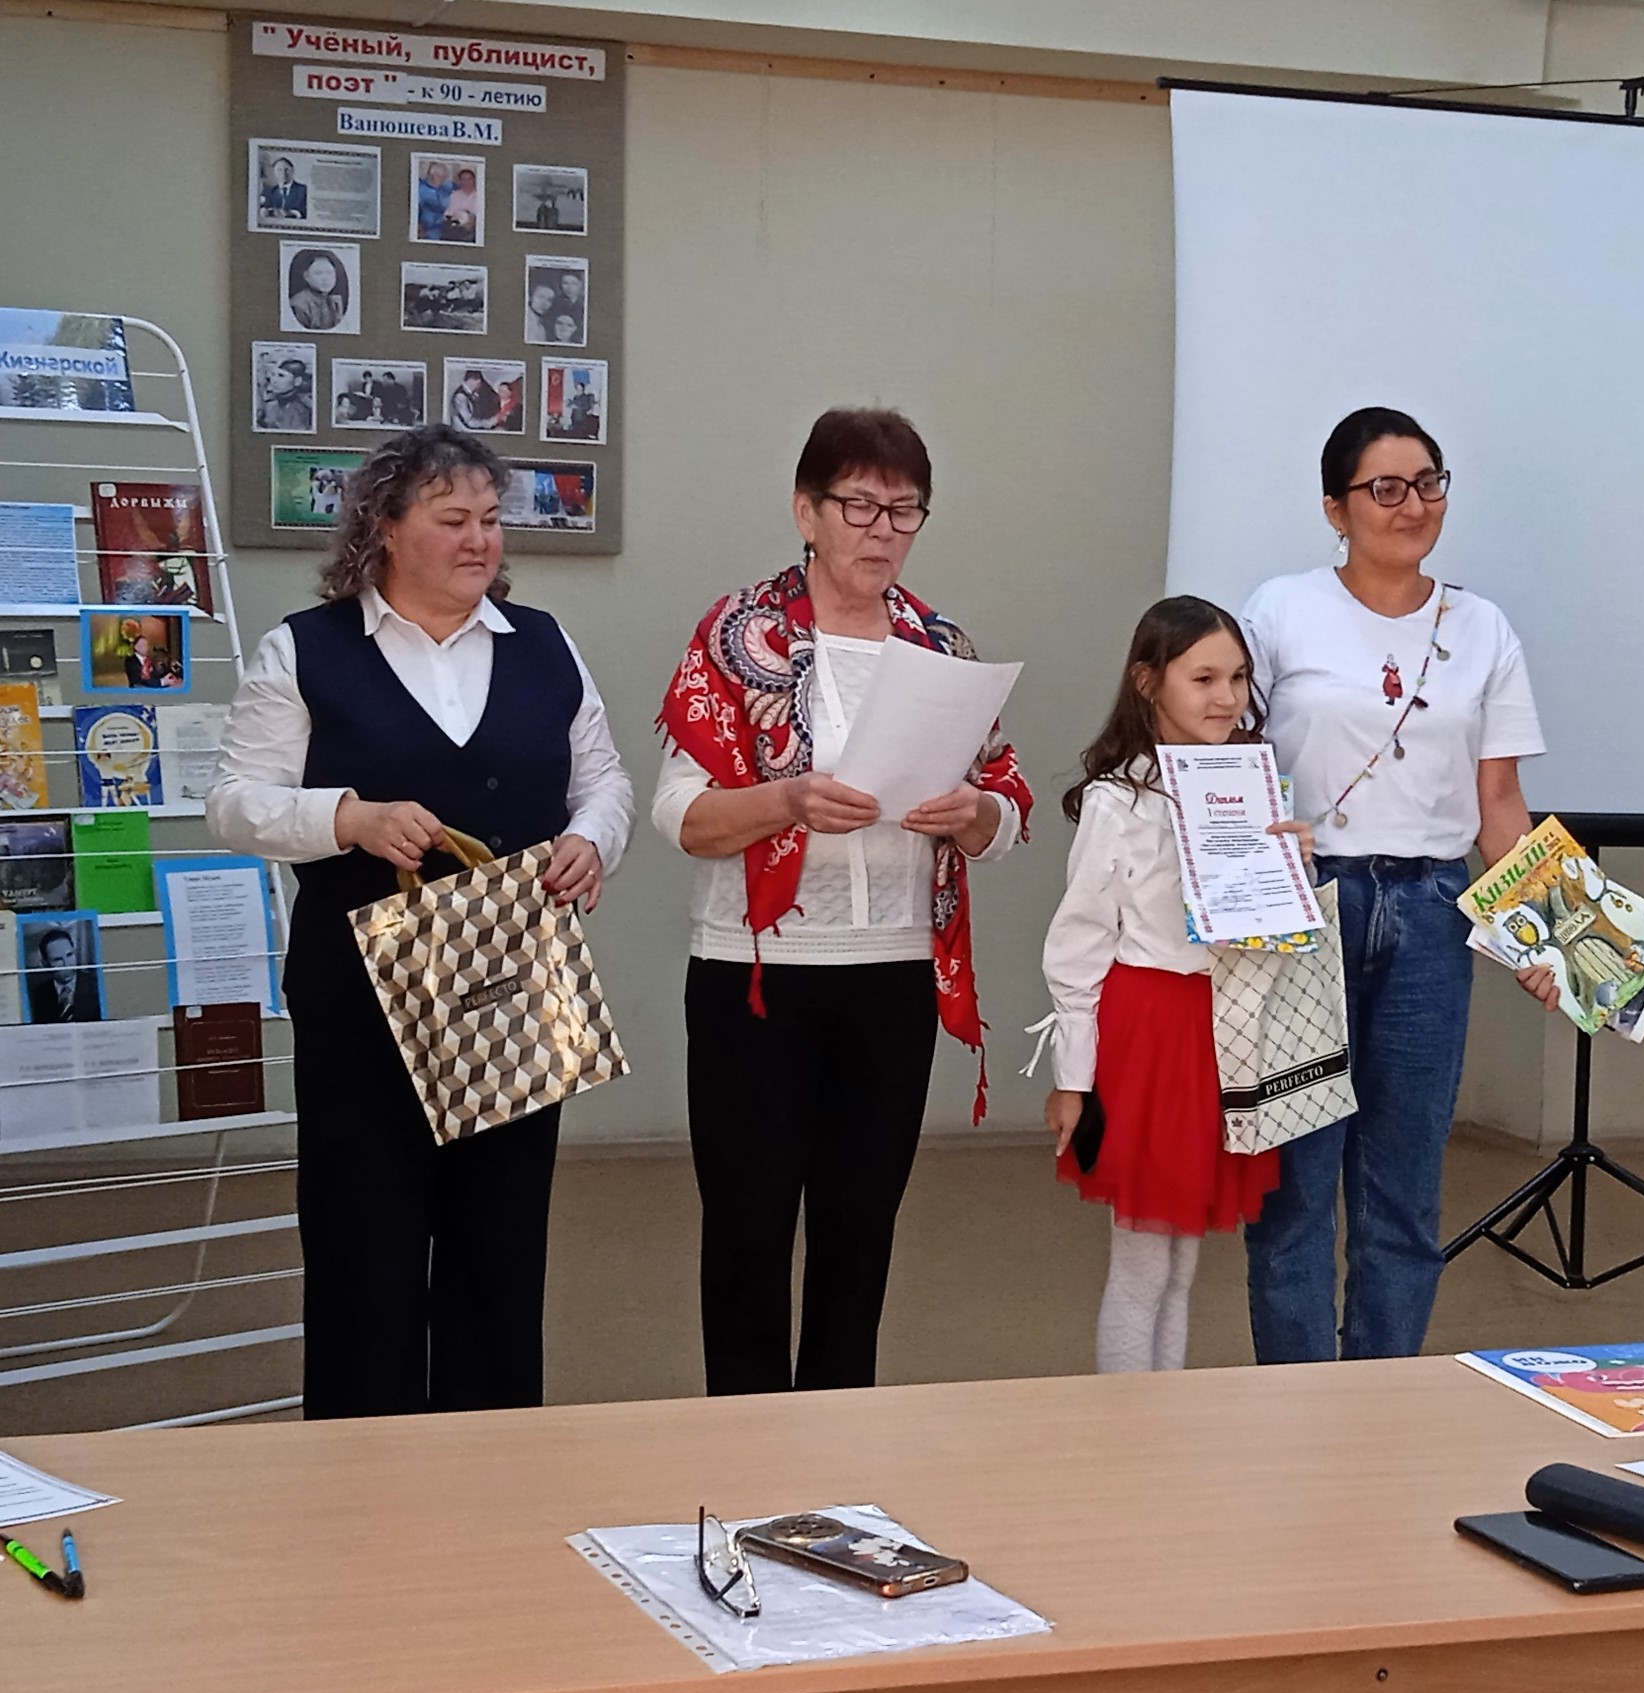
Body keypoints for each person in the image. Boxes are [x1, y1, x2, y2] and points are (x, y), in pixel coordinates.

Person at [207, 425, 635, 1420]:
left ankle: (489, 1459)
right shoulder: (303, 649)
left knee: (500, 1246)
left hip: (512, 986)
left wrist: (591, 840)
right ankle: (360, 1462)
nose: (480, 539)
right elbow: (232, 803)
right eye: (453, 520)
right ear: (387, 529)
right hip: (360, 996)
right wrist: (347, 818)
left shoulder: (545, 644)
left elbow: (605, 780)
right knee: (367, 1246)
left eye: (490, 519)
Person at [654, 407, 1032, 1396]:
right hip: (756, 975)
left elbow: (1008, 811)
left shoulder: (942, 645)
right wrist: (785, 801)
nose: (881, 530)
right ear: (806, 511)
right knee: (748, 1233)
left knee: (859, 1233)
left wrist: (974, 813)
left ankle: (836, 1444)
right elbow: (680, 816)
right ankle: (743, 1443)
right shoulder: (738, 634)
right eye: (859, 505)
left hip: (894, 973)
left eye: (904, 511)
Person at [1237, 406, 1554, 1365]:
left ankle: (1381, 1396)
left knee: (1403, 1192)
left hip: (1429, 914)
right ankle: (1297, 1402)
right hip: (1305, 911)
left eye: (1428, 483)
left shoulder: (1482, 626)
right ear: (1335, 508)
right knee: (1295, 1190)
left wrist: (1546, 937)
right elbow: (1226, 759)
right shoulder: (1280, 610)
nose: (1411, 504)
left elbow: (1498, 801)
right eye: (1384, 488)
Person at [1031, 597, 1310, 1372]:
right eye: (1204, 678)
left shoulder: (1251, 787)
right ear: (1147, 681)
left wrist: (1294, 867)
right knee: (1142, 1263)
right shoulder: (1117, 800)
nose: (1227, 697)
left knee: (1182, 1265)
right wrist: (1073, 1078)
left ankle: (1165, 1416)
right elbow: (1078, 941)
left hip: (1220, 1027)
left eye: (1239, 678)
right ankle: (1126, 1422)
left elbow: (1266, 935)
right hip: (1149, 1030)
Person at [26, 926, 101, 1023]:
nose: (67, 964)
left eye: (69, 955)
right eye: (58, 960)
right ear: (45, 963)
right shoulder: (39, 994)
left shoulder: (94, 985)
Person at [287, 251, 347, 333]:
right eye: (318, 273)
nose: (325, 278)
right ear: (306, 276)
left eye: (329, 272)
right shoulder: (298, 305)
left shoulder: (334, 302)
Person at [258, 356, 313, 431]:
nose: (274, 380)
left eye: (281, 376)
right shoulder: (271, 405)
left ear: (297, 381)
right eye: (273, 375)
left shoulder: (301, 409)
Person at [260, 156, 307, 222]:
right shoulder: (268, 192)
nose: (283, 173)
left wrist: (291, 213)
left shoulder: (303, 190)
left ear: (292, 171)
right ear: (274, 172)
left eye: (287, 170)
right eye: (279, 170)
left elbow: (308, 213)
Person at [415, 161, 450, 241]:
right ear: (433, 175)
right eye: (441, 176)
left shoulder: (446, 188)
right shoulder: (422, 189)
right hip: (427, 226)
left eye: (445, 176)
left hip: (443, 225)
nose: (443, 179)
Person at [443, 167, 480, 243]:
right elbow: (448, 214)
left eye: (469, 179)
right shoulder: (454, 195)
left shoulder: (480, 195)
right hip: (457, 227)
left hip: (475, 227)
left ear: (474, 180)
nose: (467, 182)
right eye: (463, 179)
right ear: (460, 181)